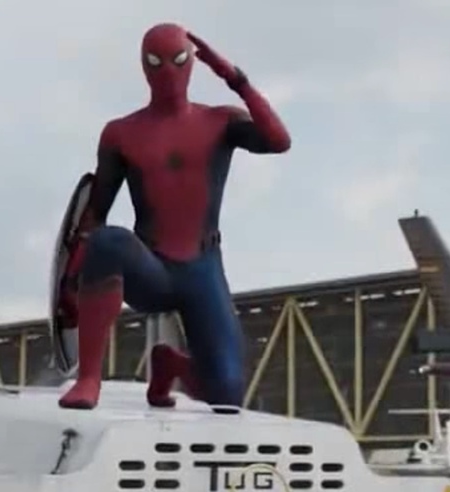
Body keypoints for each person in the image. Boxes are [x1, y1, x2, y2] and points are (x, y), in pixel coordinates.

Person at [57, 22, 291, 410]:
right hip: (151, 267)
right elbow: (95, 213)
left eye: (178, 60)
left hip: (203, 270)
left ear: (193, 63)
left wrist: (235, 79)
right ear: (143, 66)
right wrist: (71, 280)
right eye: (155, 62)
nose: (167, 71)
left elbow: (279, 141)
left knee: (227, 394)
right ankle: (89, 378)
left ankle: (171, 366)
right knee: (109, 241)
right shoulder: (121, 134)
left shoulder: (220, 121)